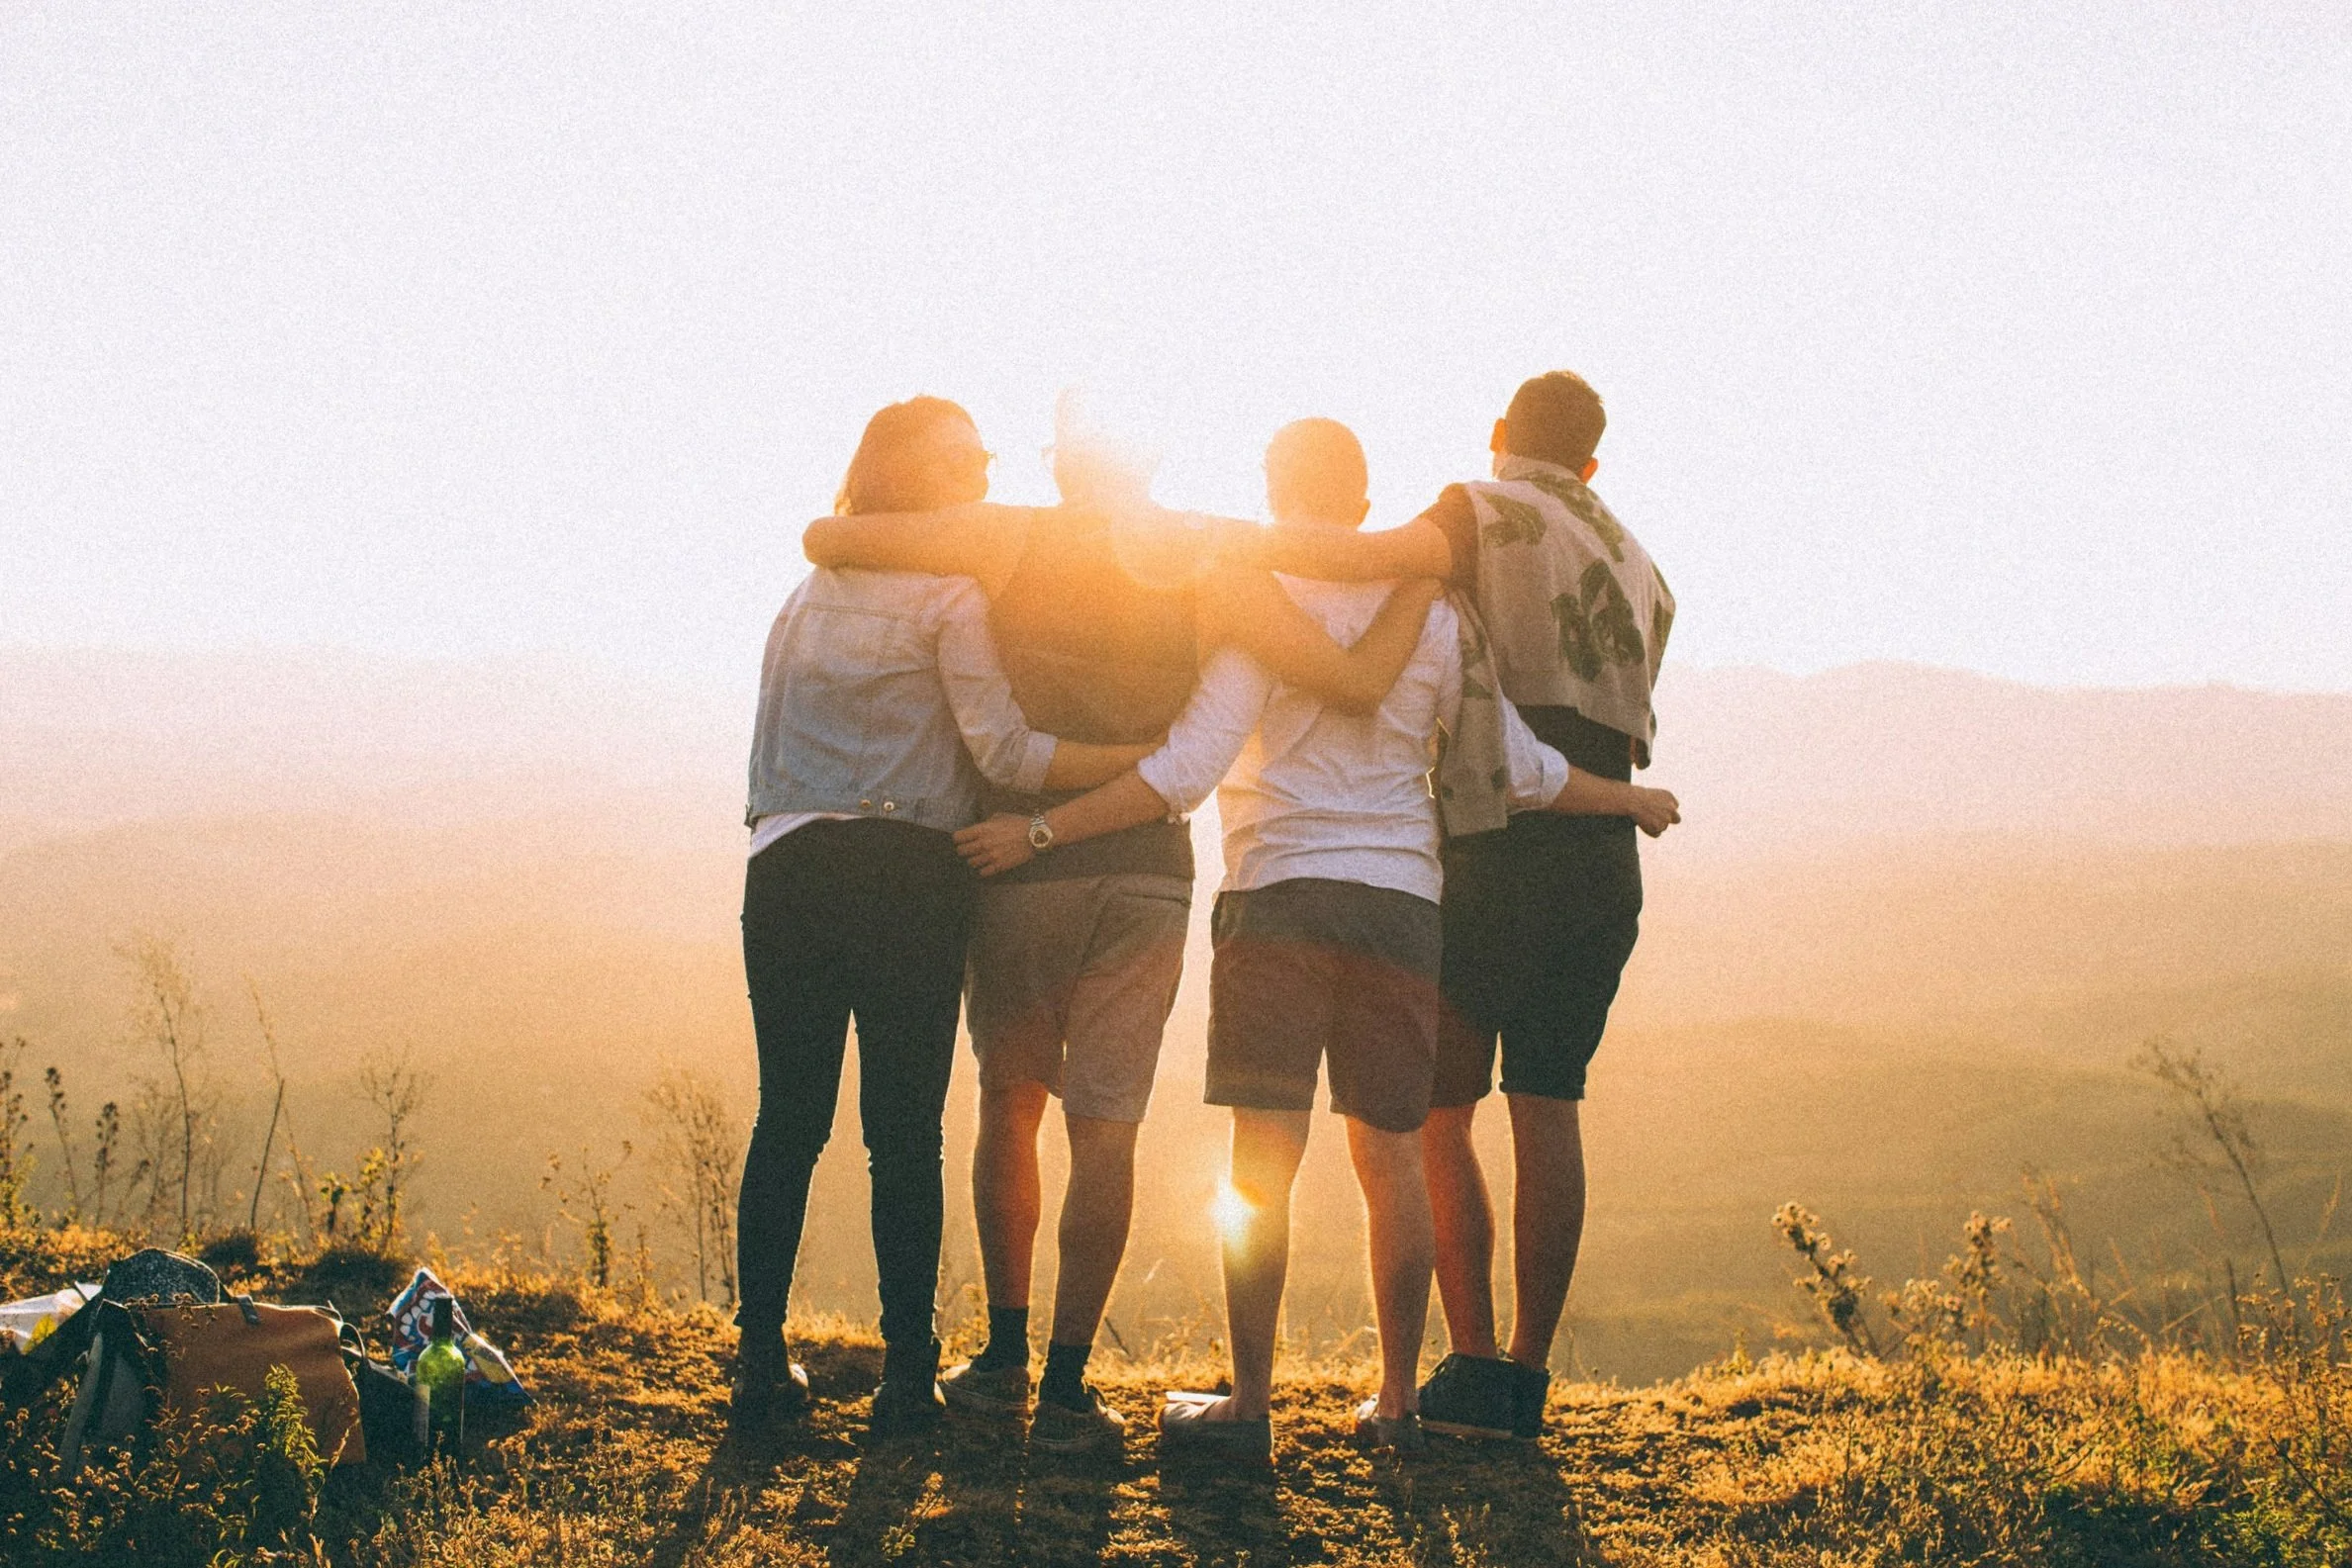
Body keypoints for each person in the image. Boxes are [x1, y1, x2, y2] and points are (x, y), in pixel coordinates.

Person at [952, 418, 1678, 1459]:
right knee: (1391, 1157)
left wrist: (1043, 826)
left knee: (1262, 1162)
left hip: (1276, 896)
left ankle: (1248, 1405)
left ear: (1270, 487)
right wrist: (1627, 797)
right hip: (1400, 907)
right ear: (1364, 495)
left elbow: (1189, 768)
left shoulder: (1256, 600)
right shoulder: (1432, 609)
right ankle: (1392, 1402)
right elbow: (1517, 765)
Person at [800, 397, 1436, 1453]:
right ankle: (1064, 1388)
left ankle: (1002, 1357)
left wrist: (831, 532)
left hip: (1016, 864)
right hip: (1146, 869)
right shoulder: (1203, 552)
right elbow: (1340, 654)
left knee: (1010, 1103)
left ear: (1060, 463)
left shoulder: (1006, 534)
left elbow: (837, 537)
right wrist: (1421, 573)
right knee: (1107, 1130)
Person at [1231, 372, 1677, 1440]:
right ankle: (1525, 1378)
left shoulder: (1476, 511)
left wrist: (1215, 542)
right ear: (1593, 461)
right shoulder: (1638, 561)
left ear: (1496, 436)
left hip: (1495, 838)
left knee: (1441, 1108)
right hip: (1601, 850)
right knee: (1550, 1102)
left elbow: (1357, 560)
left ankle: (1470, 1366)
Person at [733, 396, 1160, 1441]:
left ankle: (757, 1363)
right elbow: (1006, 755)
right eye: (966, 458)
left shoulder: (804, 594)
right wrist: (1139, 765)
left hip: (784, 868)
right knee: (903, 1134)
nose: (984, 471)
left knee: (787, 1119)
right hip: (908, 875)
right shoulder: (951, 595)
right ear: (922, 480)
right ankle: (905, 1376)